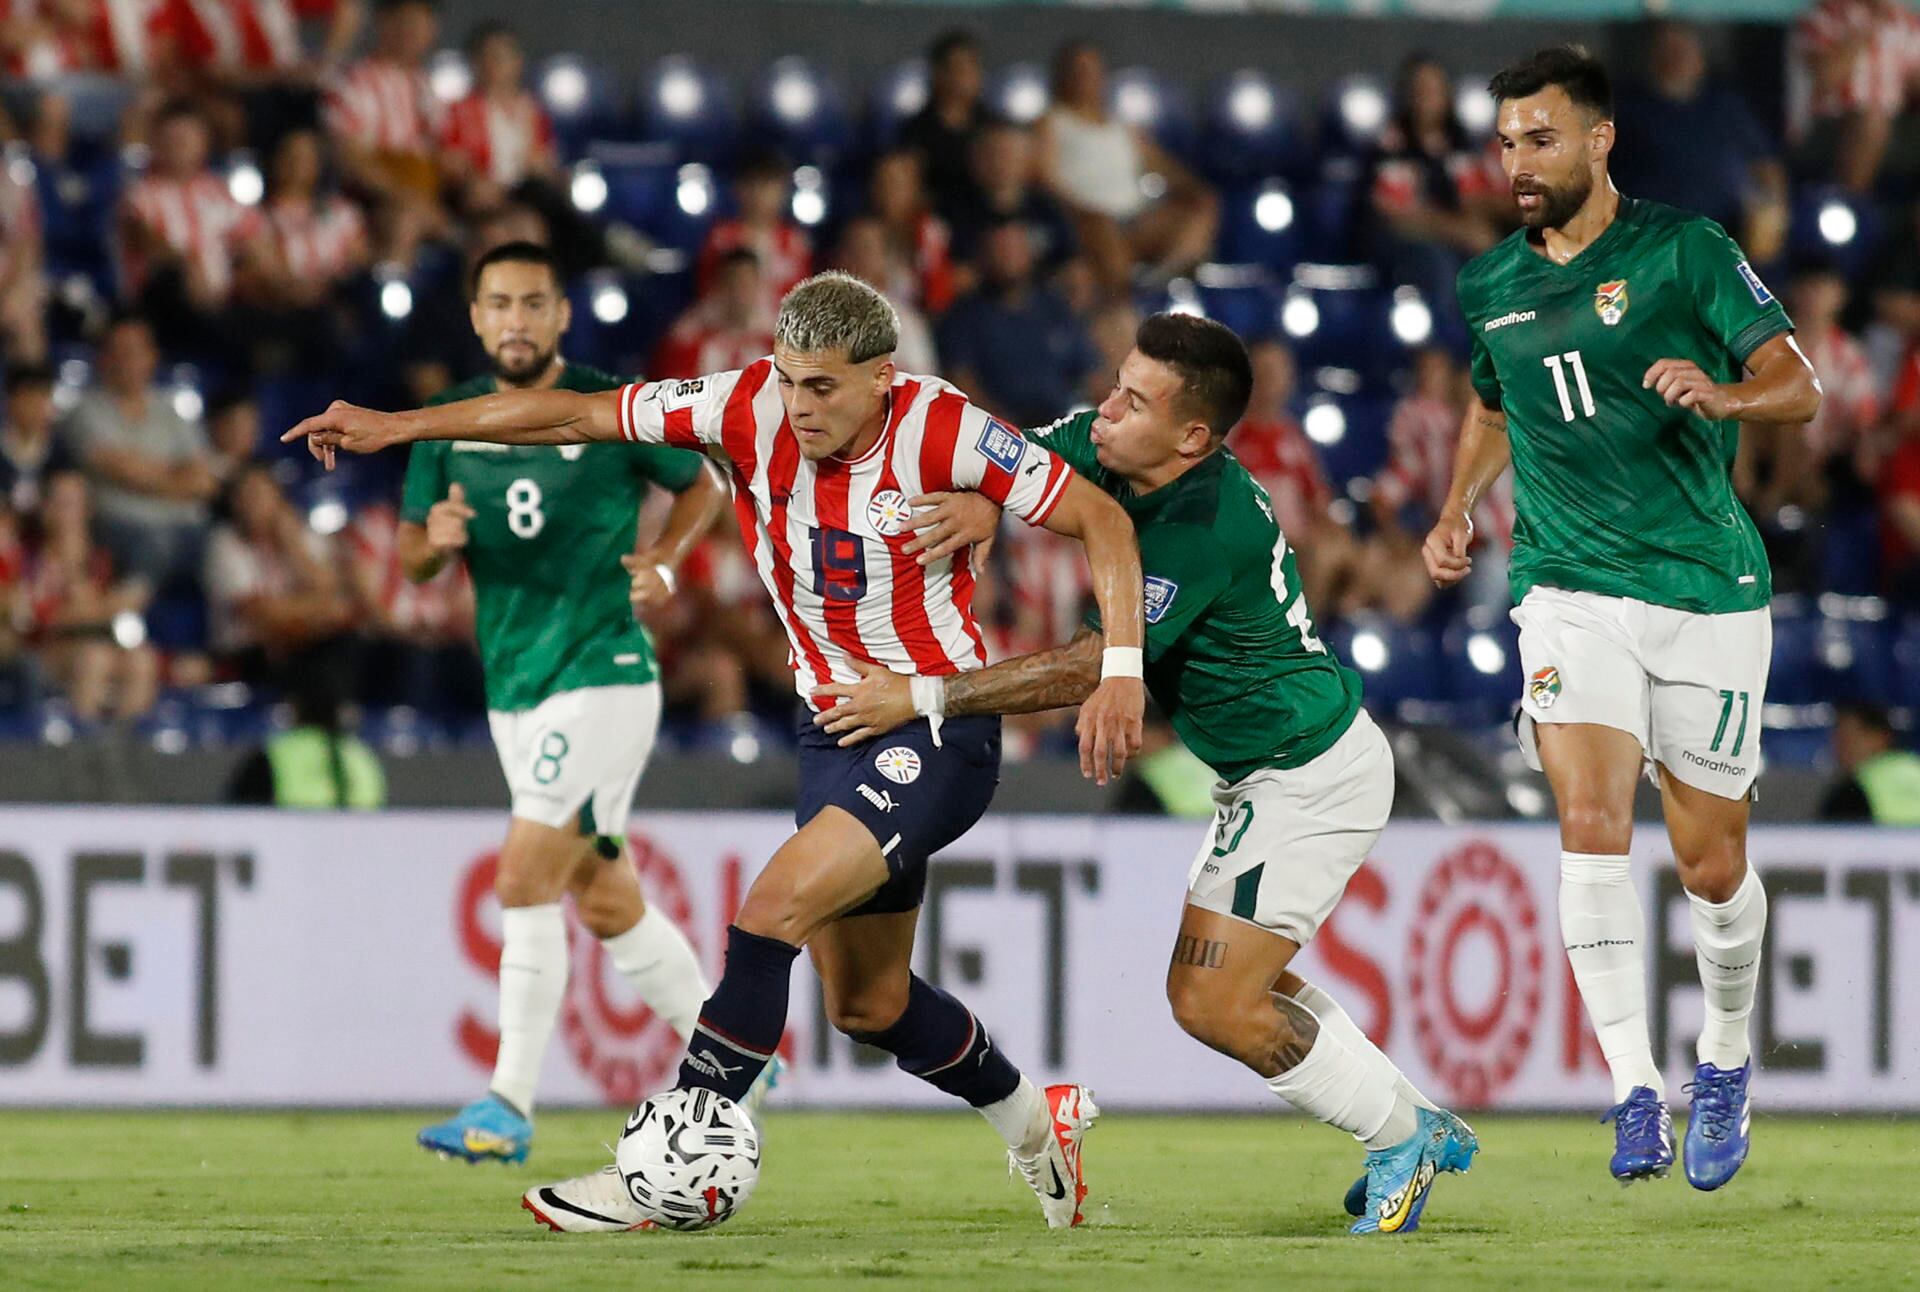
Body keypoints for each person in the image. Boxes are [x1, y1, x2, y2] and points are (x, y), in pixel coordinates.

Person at [285, 269, 1148, 1233]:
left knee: (768, 909)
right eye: (788, 379)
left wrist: (1119, 665)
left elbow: (1102, 517)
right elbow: (572, 415)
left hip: (933, 726)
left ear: (883, 379)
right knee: (868, 1004)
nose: (799, 405)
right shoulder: (740, 406)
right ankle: (1039, 1124)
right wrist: (402, 427)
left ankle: (663, 1164)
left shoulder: (942, 426)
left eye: (822, 387)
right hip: (829, 729)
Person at [816, 313, 1477, 1237]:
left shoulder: (1202, 528)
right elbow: (1035, 454)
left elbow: (1091, 663)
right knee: (1249, 985)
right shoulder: (1116, 441)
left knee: (1211, 998)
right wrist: (986, 502)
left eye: (1134, 402)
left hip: (1308, 775)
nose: (1106, 411)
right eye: (1117, 384)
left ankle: (1398, 1136)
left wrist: (925, 697)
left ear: (1193, 438)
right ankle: (1413, 1119)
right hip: (1273, 774)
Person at [1430, 46, 1821, 1189]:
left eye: (1539, 137)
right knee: (1590, 821)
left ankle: (1727, 1060)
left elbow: (1800, 381)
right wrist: (1459, 507)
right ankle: (1632, 1090)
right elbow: (1492, 402)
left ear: (1601, 139)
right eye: (1505, 142)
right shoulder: (1490, 282)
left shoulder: (1685, 250)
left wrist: (1726, 392)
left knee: (1709, 863)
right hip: (1565, 588)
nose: (1516, 163)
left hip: (1704, 590)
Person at [394, 241, 731, 1165]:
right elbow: (411, 555)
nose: (515, 319)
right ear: (476, 317)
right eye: (498, 302)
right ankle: (735, 1053)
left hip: (604, 674)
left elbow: (705, 481)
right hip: (515, 689)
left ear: (559, 315)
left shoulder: (605, 406)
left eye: (532, 302)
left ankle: (506, 1105)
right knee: (602, 894)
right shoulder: (447, 423)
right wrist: (436, 542)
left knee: (520, 878)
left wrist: (666, 557)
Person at [1036, 41, 1217, 298]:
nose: (1085, 79)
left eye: (1092, 71)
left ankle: (1162, 285)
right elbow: (1046, 177)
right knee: (1103, 229)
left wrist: (1195, 190)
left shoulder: (1123, 127)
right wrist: (1080, 210)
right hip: (1084, 220)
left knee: (1200, 210)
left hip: (1134, 219)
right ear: (1063, 75)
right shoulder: (1051, 122)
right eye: (1078, 71)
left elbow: (1162, 165)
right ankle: (1122, 300)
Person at [57, 312, 221, 593]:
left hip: (189, 529)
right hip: (123, 528)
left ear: (152, 356)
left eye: (135, 351)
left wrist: (145, 472)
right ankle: (122, 610)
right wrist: (175, 473)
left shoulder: (171, 410)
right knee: (154, 545)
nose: (127, 361)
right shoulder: (85, 411)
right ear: (103, 357)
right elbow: (122, 470)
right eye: (118, 351)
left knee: (224, 543)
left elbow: (205, 482)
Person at [1611, 22, 1787, 262]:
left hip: (1722, 235)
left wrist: (1773, 209)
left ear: (1700, 58)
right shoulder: (1628, 109)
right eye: (1667, 51)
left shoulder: (1725, 105)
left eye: (1682, 51)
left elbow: (1765, 165)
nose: (1676, 60)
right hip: (1652, 240)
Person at [937, 218, 1100, 427]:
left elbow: (1092, 373)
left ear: (1029, 253)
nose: (1008, 258)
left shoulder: (1054, 306)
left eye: (1015, 248)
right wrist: (1007, 429)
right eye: (1000, 249)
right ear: (984, 256)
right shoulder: (964, 317)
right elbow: (962, 383)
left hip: (1062, 426)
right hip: (1000, 433)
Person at [896, 27, 991, 218]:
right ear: (938, 73)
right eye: (958, 69)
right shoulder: (917, 130)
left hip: (985, 219)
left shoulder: (991, 126)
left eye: (972, 67)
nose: (965, 78)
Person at [651, 247, 775, 381]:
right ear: (719, 286)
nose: (739, 293)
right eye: (733, 283)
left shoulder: (776, 340)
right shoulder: (688, 339)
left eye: (747, 284)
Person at [1818, 703, 1920, 824]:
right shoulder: (1915, 765)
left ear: (1881, 736)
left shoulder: (1852, 791)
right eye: (1839, 740)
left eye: (1849, 739)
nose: (1840, 748)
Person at [1, 364, 73, 517]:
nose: (37, 407)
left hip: (47, 524)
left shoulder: (58, 449)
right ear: (11, 401)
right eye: (29, 398)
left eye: (43, 398)